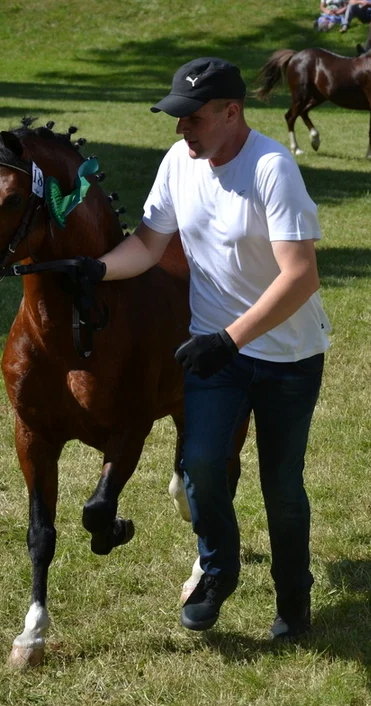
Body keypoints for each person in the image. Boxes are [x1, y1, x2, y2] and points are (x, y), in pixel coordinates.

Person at [72, 58, 331, 640]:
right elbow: (145, 245)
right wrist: (93, 268)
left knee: (281, 487)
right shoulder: (177, 164)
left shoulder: (272, 167)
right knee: (203, 467)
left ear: (230, 112)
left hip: (287, 355)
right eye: (176, 117)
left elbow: (301, 276)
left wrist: (229, 338)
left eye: (192, 118)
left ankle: (293, 598)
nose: (181, 129)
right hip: (217, 353)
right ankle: (217, 571)